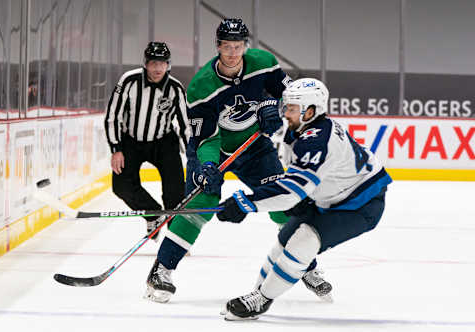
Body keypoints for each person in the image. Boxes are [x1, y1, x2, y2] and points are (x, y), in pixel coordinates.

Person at [144, 18, 332, 303]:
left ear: (246, 46)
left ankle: (306, 266)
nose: (233, 52)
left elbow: (293, 96)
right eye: (227, 46)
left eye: (238, 46)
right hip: (213, 150)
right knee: (199, 208)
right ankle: (161, 270)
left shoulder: (264, 62)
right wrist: (207, 166)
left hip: (254, 146)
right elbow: (206, 138)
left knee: (284, 202)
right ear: (217, 47)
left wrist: (276, 107)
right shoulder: (200, 87)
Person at [216, 78, 393, 320]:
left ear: (310, 111)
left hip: (361, 203)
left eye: (291, 108)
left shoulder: (316, 140)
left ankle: (262, 300)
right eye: (285, 106)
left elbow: (291, 191)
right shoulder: (303, 130)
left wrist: (247, 203)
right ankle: (256, 293)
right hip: (331, 195)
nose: (285, 113)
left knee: (305, 239)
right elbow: (300, 181)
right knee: (283, 240)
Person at [104, 41, 191, 238]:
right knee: (121, 186)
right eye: (154, 63)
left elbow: (186, 124)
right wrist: (116, 149)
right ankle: (153, 215)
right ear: (146, 64)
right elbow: (113, 115)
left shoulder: (175, 88)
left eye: (163, 63)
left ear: (168, 65)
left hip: (164, 142)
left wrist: (193, 156)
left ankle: (175, 237)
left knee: (175, 192)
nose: (158, 68)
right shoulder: (129, 80)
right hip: (131, 141)